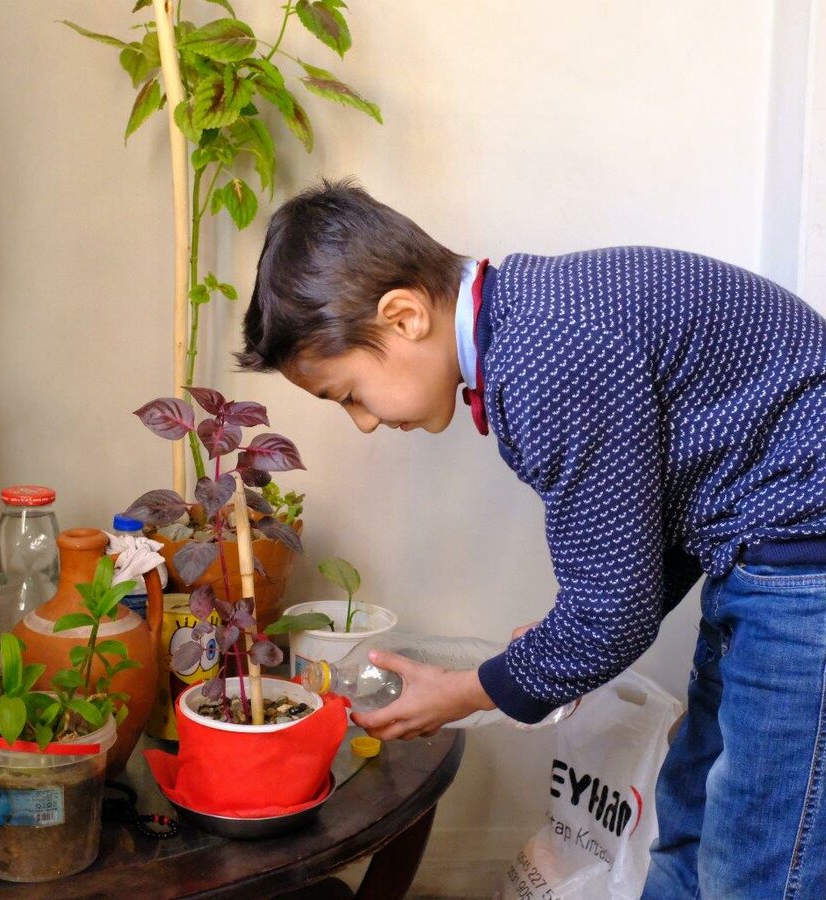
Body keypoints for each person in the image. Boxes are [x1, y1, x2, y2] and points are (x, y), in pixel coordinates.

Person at [238, 179, 826, 898]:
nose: (362, 421)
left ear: (403, 316)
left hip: (802, 563)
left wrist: (471, 692)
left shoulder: (545, 359)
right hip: (769, 550)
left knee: (761, 868)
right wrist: (555, 648)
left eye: (350, 394)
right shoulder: (533, 321)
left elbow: (614, 611)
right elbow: (643, 546)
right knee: (692, 819)